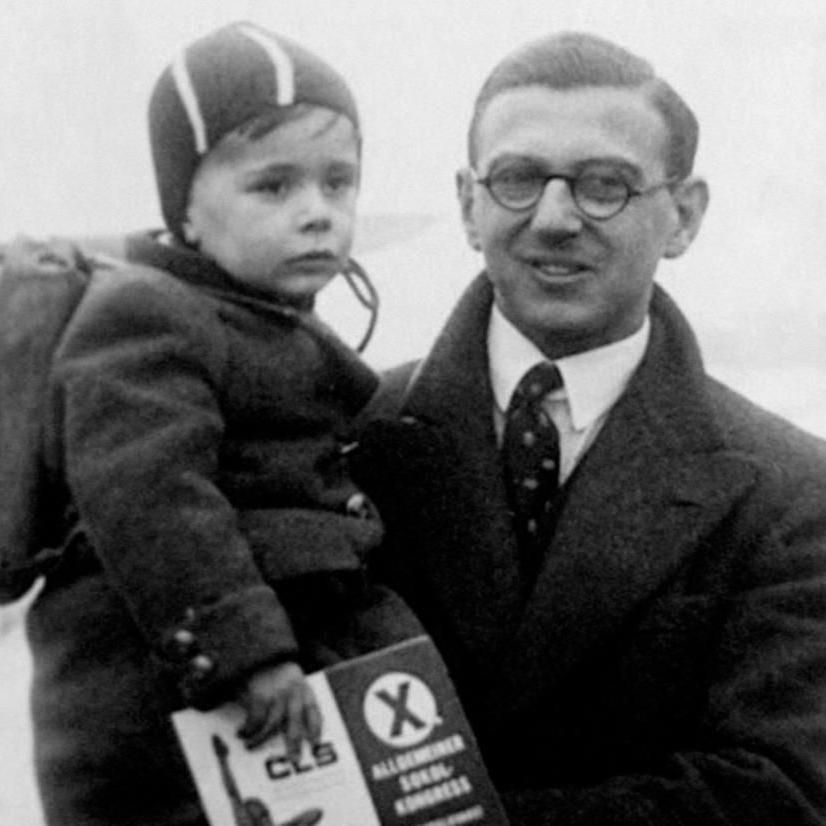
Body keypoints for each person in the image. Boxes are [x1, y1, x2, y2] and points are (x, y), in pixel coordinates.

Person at [353, 31, 826, 825]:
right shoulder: (346, 440)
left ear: (684, 215)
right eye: (517, 179)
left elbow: (780, 792)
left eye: (605, 184)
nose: (554, 218)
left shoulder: (791, 490)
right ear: (469, 205)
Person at [26, 21, 420, 826]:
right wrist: (245, 650)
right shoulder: (147, 311)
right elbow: (148, 491)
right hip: (165, 694)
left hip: (265, 690)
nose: (318, 213)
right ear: (188, 213)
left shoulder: (263, 318)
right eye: (273, 187)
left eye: (337, 183)